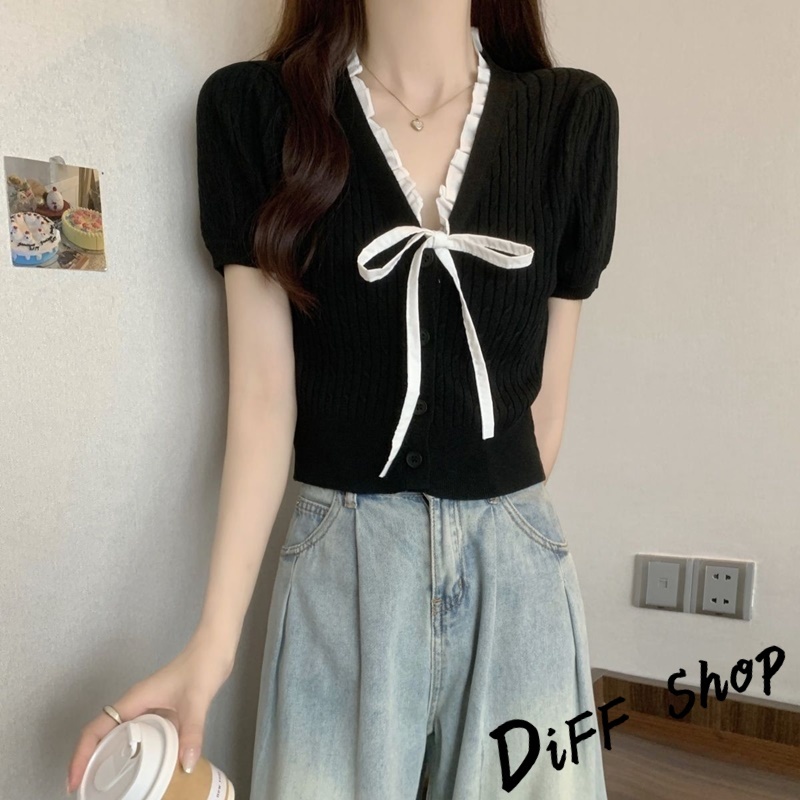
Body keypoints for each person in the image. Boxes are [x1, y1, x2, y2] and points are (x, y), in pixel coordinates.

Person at [67, 1, 619, 797]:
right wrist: (212, 644)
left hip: (517, 570)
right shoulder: (258, 111)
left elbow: (546, 410)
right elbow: (264, 401)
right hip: (343, 563)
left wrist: (493, 537)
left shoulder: (571, 117)